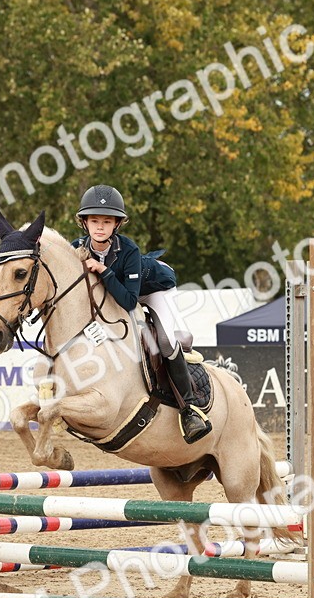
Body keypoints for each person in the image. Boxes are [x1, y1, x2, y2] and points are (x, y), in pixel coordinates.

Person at [71, 184, 212, 443]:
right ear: (84, 223)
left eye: (107, 221)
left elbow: (128, 301)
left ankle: (189, 409)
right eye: (94, 221)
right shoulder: (77, 248)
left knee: (166, 342)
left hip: (152, 289)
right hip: (117, 291)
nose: (100, 227)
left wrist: (102, 270)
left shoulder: (129, 251)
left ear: (117, 225)